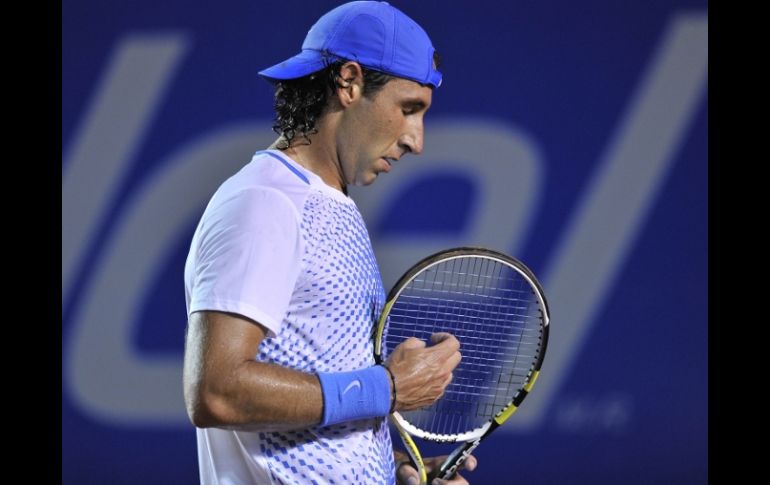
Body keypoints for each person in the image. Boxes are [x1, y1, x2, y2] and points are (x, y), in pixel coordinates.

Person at [183, 2, 477, 483]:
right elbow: (216, 391)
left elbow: (329, 403)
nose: (416, 140)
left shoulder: (330, 204)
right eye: (408, 109)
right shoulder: (266, 202)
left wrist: (397, 472)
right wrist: (387, 388)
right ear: (349, 82)